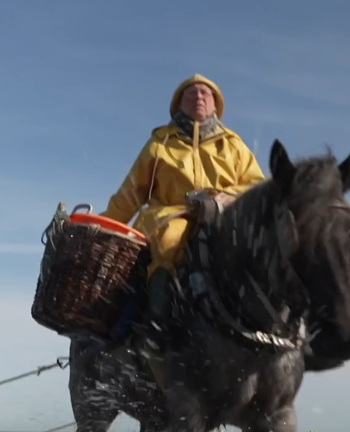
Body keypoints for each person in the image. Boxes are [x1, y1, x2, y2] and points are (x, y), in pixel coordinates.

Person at [100, 74, 266, 327]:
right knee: (170, 240)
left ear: (215, 104)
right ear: (179, 103)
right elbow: (130, 192)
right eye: (191, 93)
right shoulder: (159, 143)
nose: (199, 97)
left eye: (205, 93)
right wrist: (103, 226)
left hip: (223, 217)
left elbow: (256, 184)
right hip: (170, 216)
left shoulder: (234, 145)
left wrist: (233, 195)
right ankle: (157, 322)